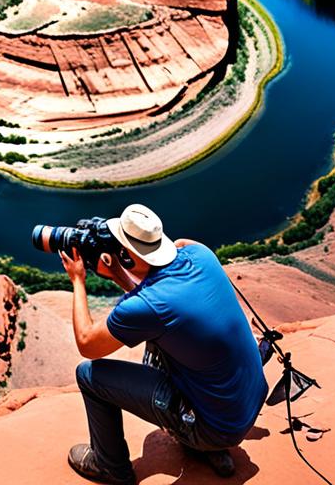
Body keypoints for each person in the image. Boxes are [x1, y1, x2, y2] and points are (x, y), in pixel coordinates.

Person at [60, 204, 267, 484]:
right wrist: (121, 273)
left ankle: (110, 466)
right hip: (247, 405)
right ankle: (212, 449)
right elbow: (162, 296)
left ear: (124, 255)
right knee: (169, 341)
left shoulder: (148, 307)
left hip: (215, 427)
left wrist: (78, 280)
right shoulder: (200, 254)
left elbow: (87, 343)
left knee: (89, 375)